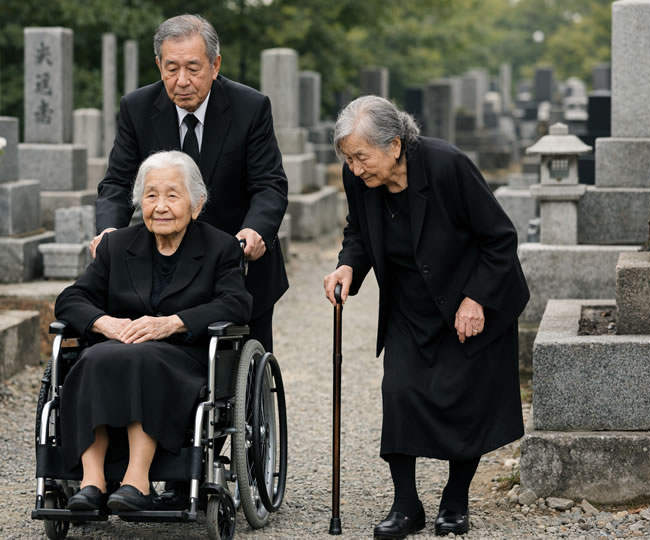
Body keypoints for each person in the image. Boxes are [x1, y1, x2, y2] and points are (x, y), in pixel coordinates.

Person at [323, 96, 529, 538]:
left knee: (465, 400)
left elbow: (499, 238)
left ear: (395, 145)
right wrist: (348, 266)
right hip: (408, 302)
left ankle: (455, 499)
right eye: (348, 158)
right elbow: (358, 230)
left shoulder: (447, 166)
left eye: (361, 157)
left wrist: (477, 299)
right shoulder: (359, 177)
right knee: (400, 394)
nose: (355, 169)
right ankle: (406, 504)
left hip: (466, 300)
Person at [56, 151, 252, 512]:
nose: (160, 206)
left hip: (183, 360)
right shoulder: (117, 246)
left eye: (172, 195)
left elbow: (235, 304)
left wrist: (172, 323)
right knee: (90, 358)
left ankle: (137, 480)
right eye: (150, 196)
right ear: (139, 203)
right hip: (117, 348)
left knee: (141, 359)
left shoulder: (220, 248)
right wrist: (106, 324)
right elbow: (71, 298)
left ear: (196, 204)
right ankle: (91, 482)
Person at [92, 13, 287, 354]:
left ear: (215, 65)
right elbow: (117, 182)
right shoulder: (137, 108)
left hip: (234, 264)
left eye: (193, 68)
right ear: (158, 65)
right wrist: (108, 231)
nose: (181, 80)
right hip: (163, 267)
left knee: (237, 372)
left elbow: (269, 184)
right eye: (171, 68)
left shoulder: (250, 107)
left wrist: (256, 230)